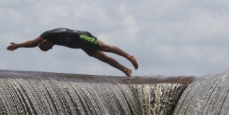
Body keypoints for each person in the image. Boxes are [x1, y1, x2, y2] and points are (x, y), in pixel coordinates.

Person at [7, 28, 138, 77]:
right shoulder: (52, 41)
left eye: (47, 47)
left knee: (105, 48)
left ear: (44, 42)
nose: (50, 48)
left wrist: (18, 45)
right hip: (82, 45)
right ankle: (125, 70)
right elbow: (35, 44)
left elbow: (32, 43)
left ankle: (129, 56)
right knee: (104, 58)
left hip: (81, 37)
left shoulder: (48, 34)